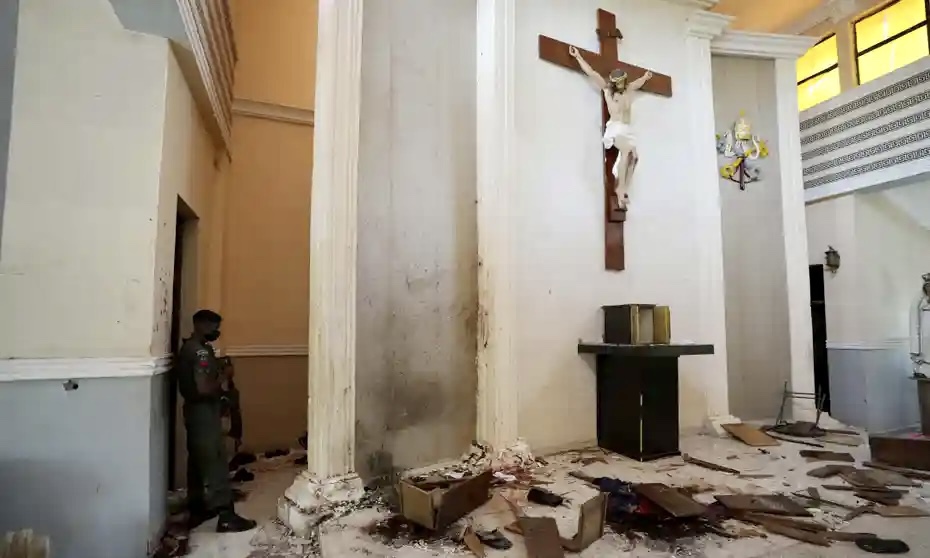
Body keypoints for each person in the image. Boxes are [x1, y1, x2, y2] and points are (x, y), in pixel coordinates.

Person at [177, 309, 256, 532]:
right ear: (201, 325)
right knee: (215, 460)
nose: (216, 332)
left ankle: (198, 507)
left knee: (198, 459)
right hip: (204, 412)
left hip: (195, 411)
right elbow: (203, 388)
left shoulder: (193, 348)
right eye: (214, 327)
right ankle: (226, 515)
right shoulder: (199, 352)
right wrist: (224, 376)